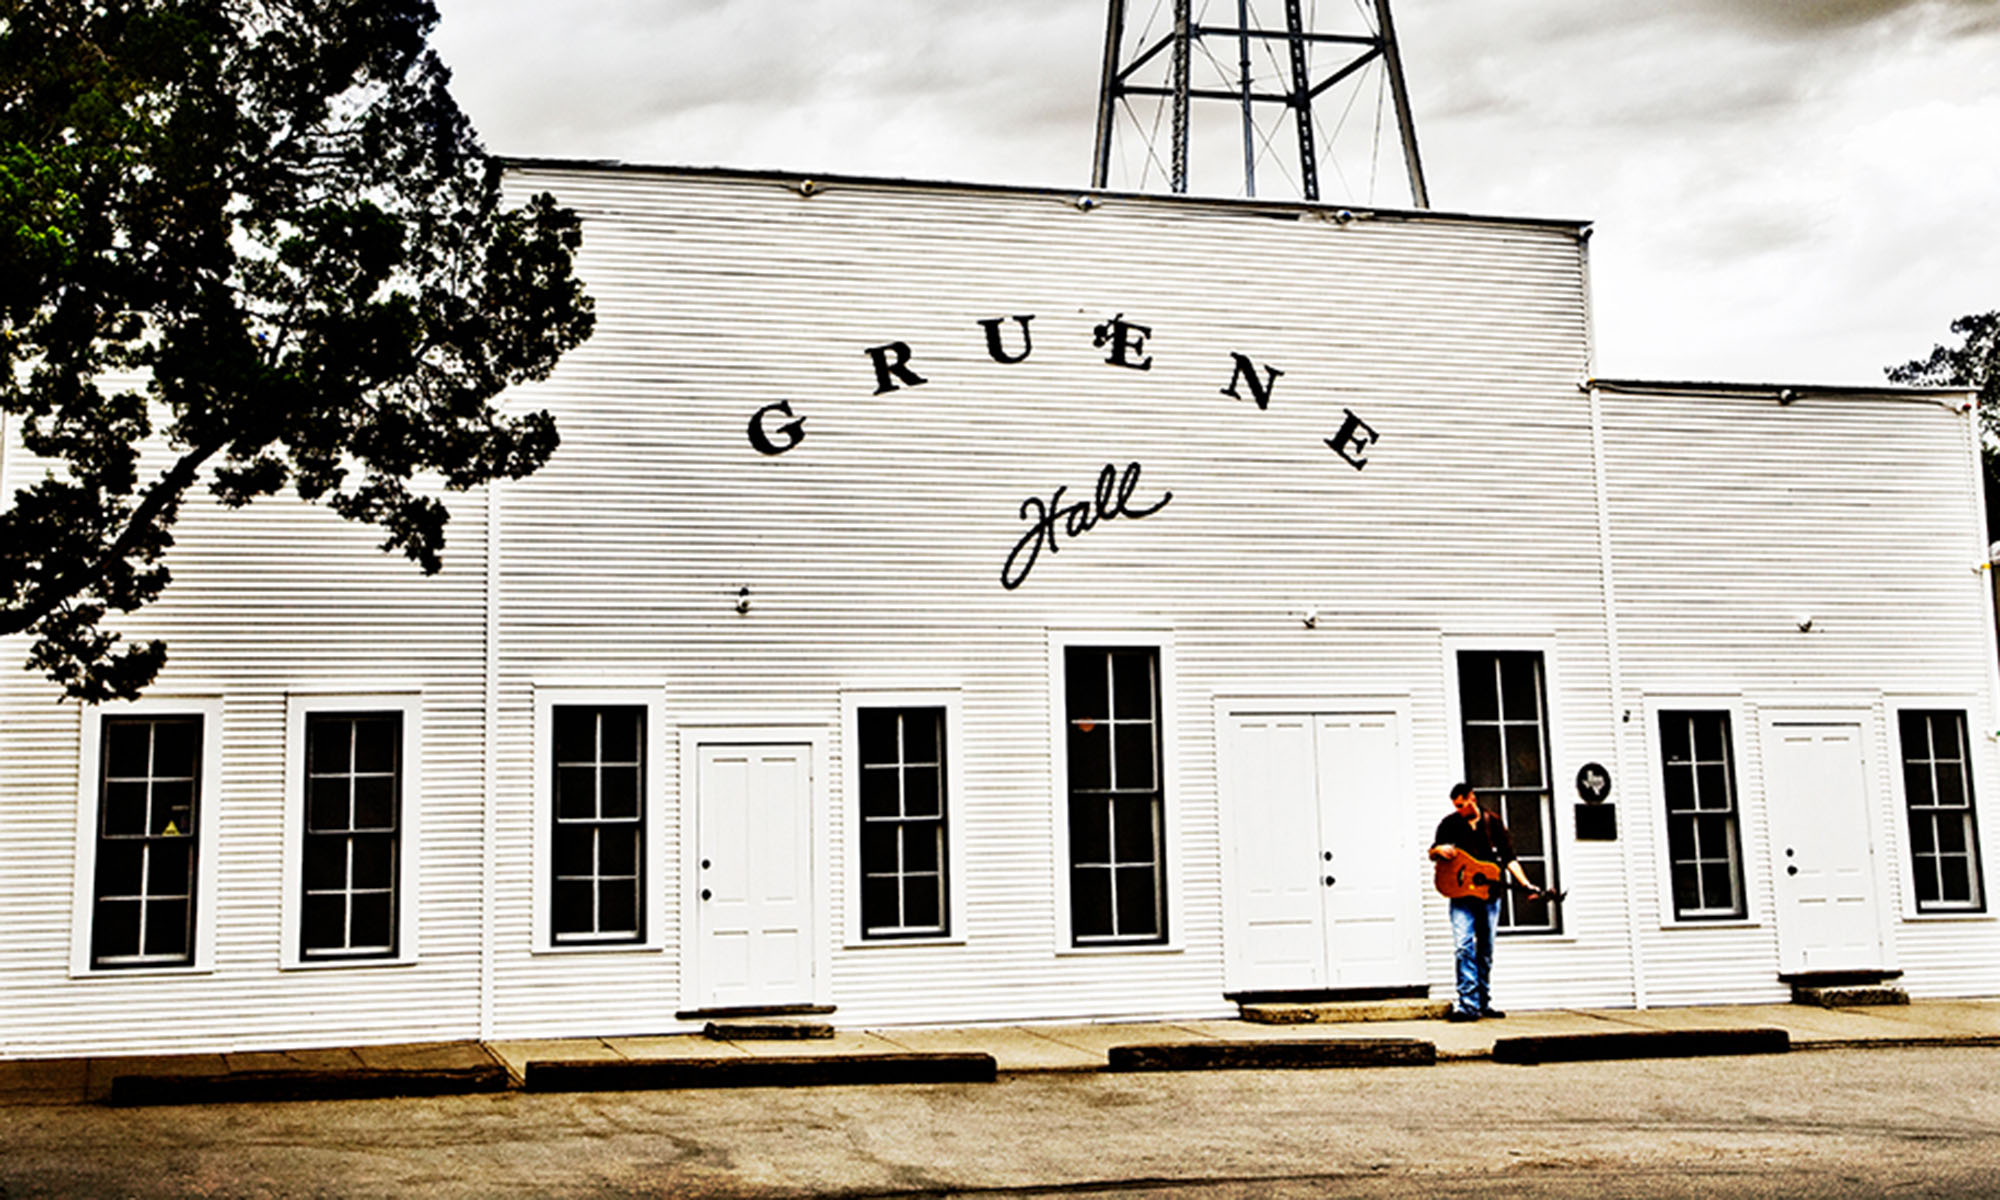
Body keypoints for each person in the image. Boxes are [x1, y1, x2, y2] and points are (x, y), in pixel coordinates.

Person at [1428, 782, 1538, 1022]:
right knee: (1463, 946)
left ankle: (1483, 1002)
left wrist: (1525, 883)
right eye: (1456, 806)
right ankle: (1467, 1005)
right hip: (1460, 896)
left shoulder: (1493, 823)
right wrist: (1440, 850)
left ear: (1472, 798)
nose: (1459, 809)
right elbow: (1432, 853)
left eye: (1462, 804)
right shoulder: (1450, 824)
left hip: (1489, 896)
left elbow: (1509, 858)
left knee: (1485, 951)